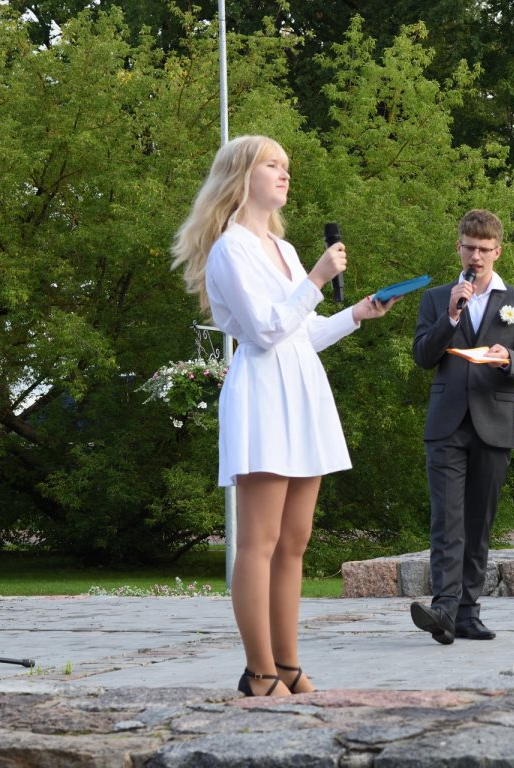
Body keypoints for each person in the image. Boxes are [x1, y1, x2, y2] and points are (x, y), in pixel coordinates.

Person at [171, 135, 397, 696]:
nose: (284, 173)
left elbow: (302, 334)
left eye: (286, 166)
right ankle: (259, 672)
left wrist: (356, 314)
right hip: (264, 396)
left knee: (295, 540)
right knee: (259, 540)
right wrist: (317, 280)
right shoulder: (231, 249)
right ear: (241, 175)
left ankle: (289, 666)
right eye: (272, 164)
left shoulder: (285, 249)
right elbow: (265, 330)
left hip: (302, 391)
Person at [409, 209, 514, 644]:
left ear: (498, 251)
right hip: (447, 424)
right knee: (446, 522)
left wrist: (508, 359)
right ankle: (444, 610)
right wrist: (450, 317)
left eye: (485, 249)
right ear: (459, 248)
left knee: (478, 523)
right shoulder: (437, 299)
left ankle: (467, 613)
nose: (477, 257)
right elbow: (423, 356)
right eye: (470, 248)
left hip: (494, 422)